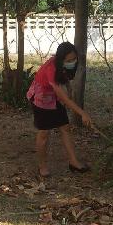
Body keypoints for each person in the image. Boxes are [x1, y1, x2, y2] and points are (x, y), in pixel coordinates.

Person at [27, 42, 93, 177]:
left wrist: (69, 87)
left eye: (74, 59)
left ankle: (73, 162)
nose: (72, 62)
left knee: (65, 127)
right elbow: (64, 99)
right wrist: (82, 113)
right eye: (68, 60)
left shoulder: (62, 65)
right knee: (44, 133)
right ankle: (42, 167)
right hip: (41, 97)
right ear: (61, 59)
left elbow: (64, 79)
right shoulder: (51, 68)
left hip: (53, 96)